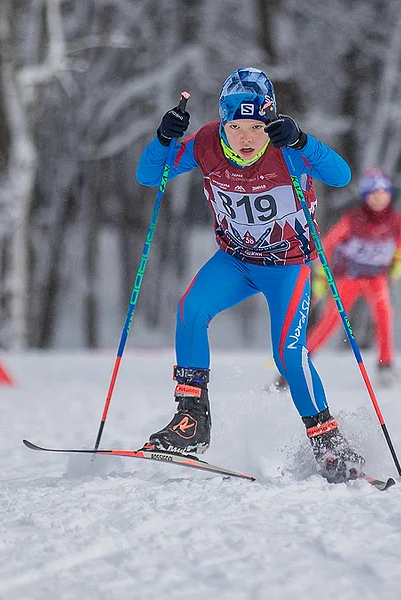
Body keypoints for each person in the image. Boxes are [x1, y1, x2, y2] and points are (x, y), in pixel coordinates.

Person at [135, 67, 363, 484]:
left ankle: (328, 440)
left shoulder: (285, 146)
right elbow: (150, 175)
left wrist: (302, 141)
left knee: (288, 353)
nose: (245, 137)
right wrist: (163, 139)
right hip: (236, 261)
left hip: (288, 266)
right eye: (235, 126)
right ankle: (192, 421)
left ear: (269, 121)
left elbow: (342, 176)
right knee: (190, 310)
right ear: (223, 123)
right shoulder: (206, 143)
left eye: (256, 127)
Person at [288, 168, 401, 388]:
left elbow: (399, 251)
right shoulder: (352, 220)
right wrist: (321, 278)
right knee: (331, 320)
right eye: (373, 193)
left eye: (383, 193)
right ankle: (299, 363)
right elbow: (326, 246)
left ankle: (386, 366)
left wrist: (396, 268)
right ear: (365, 196)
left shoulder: (399, 222)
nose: (378, 198)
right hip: (349, 276)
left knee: (384, 316)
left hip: (376, 278)